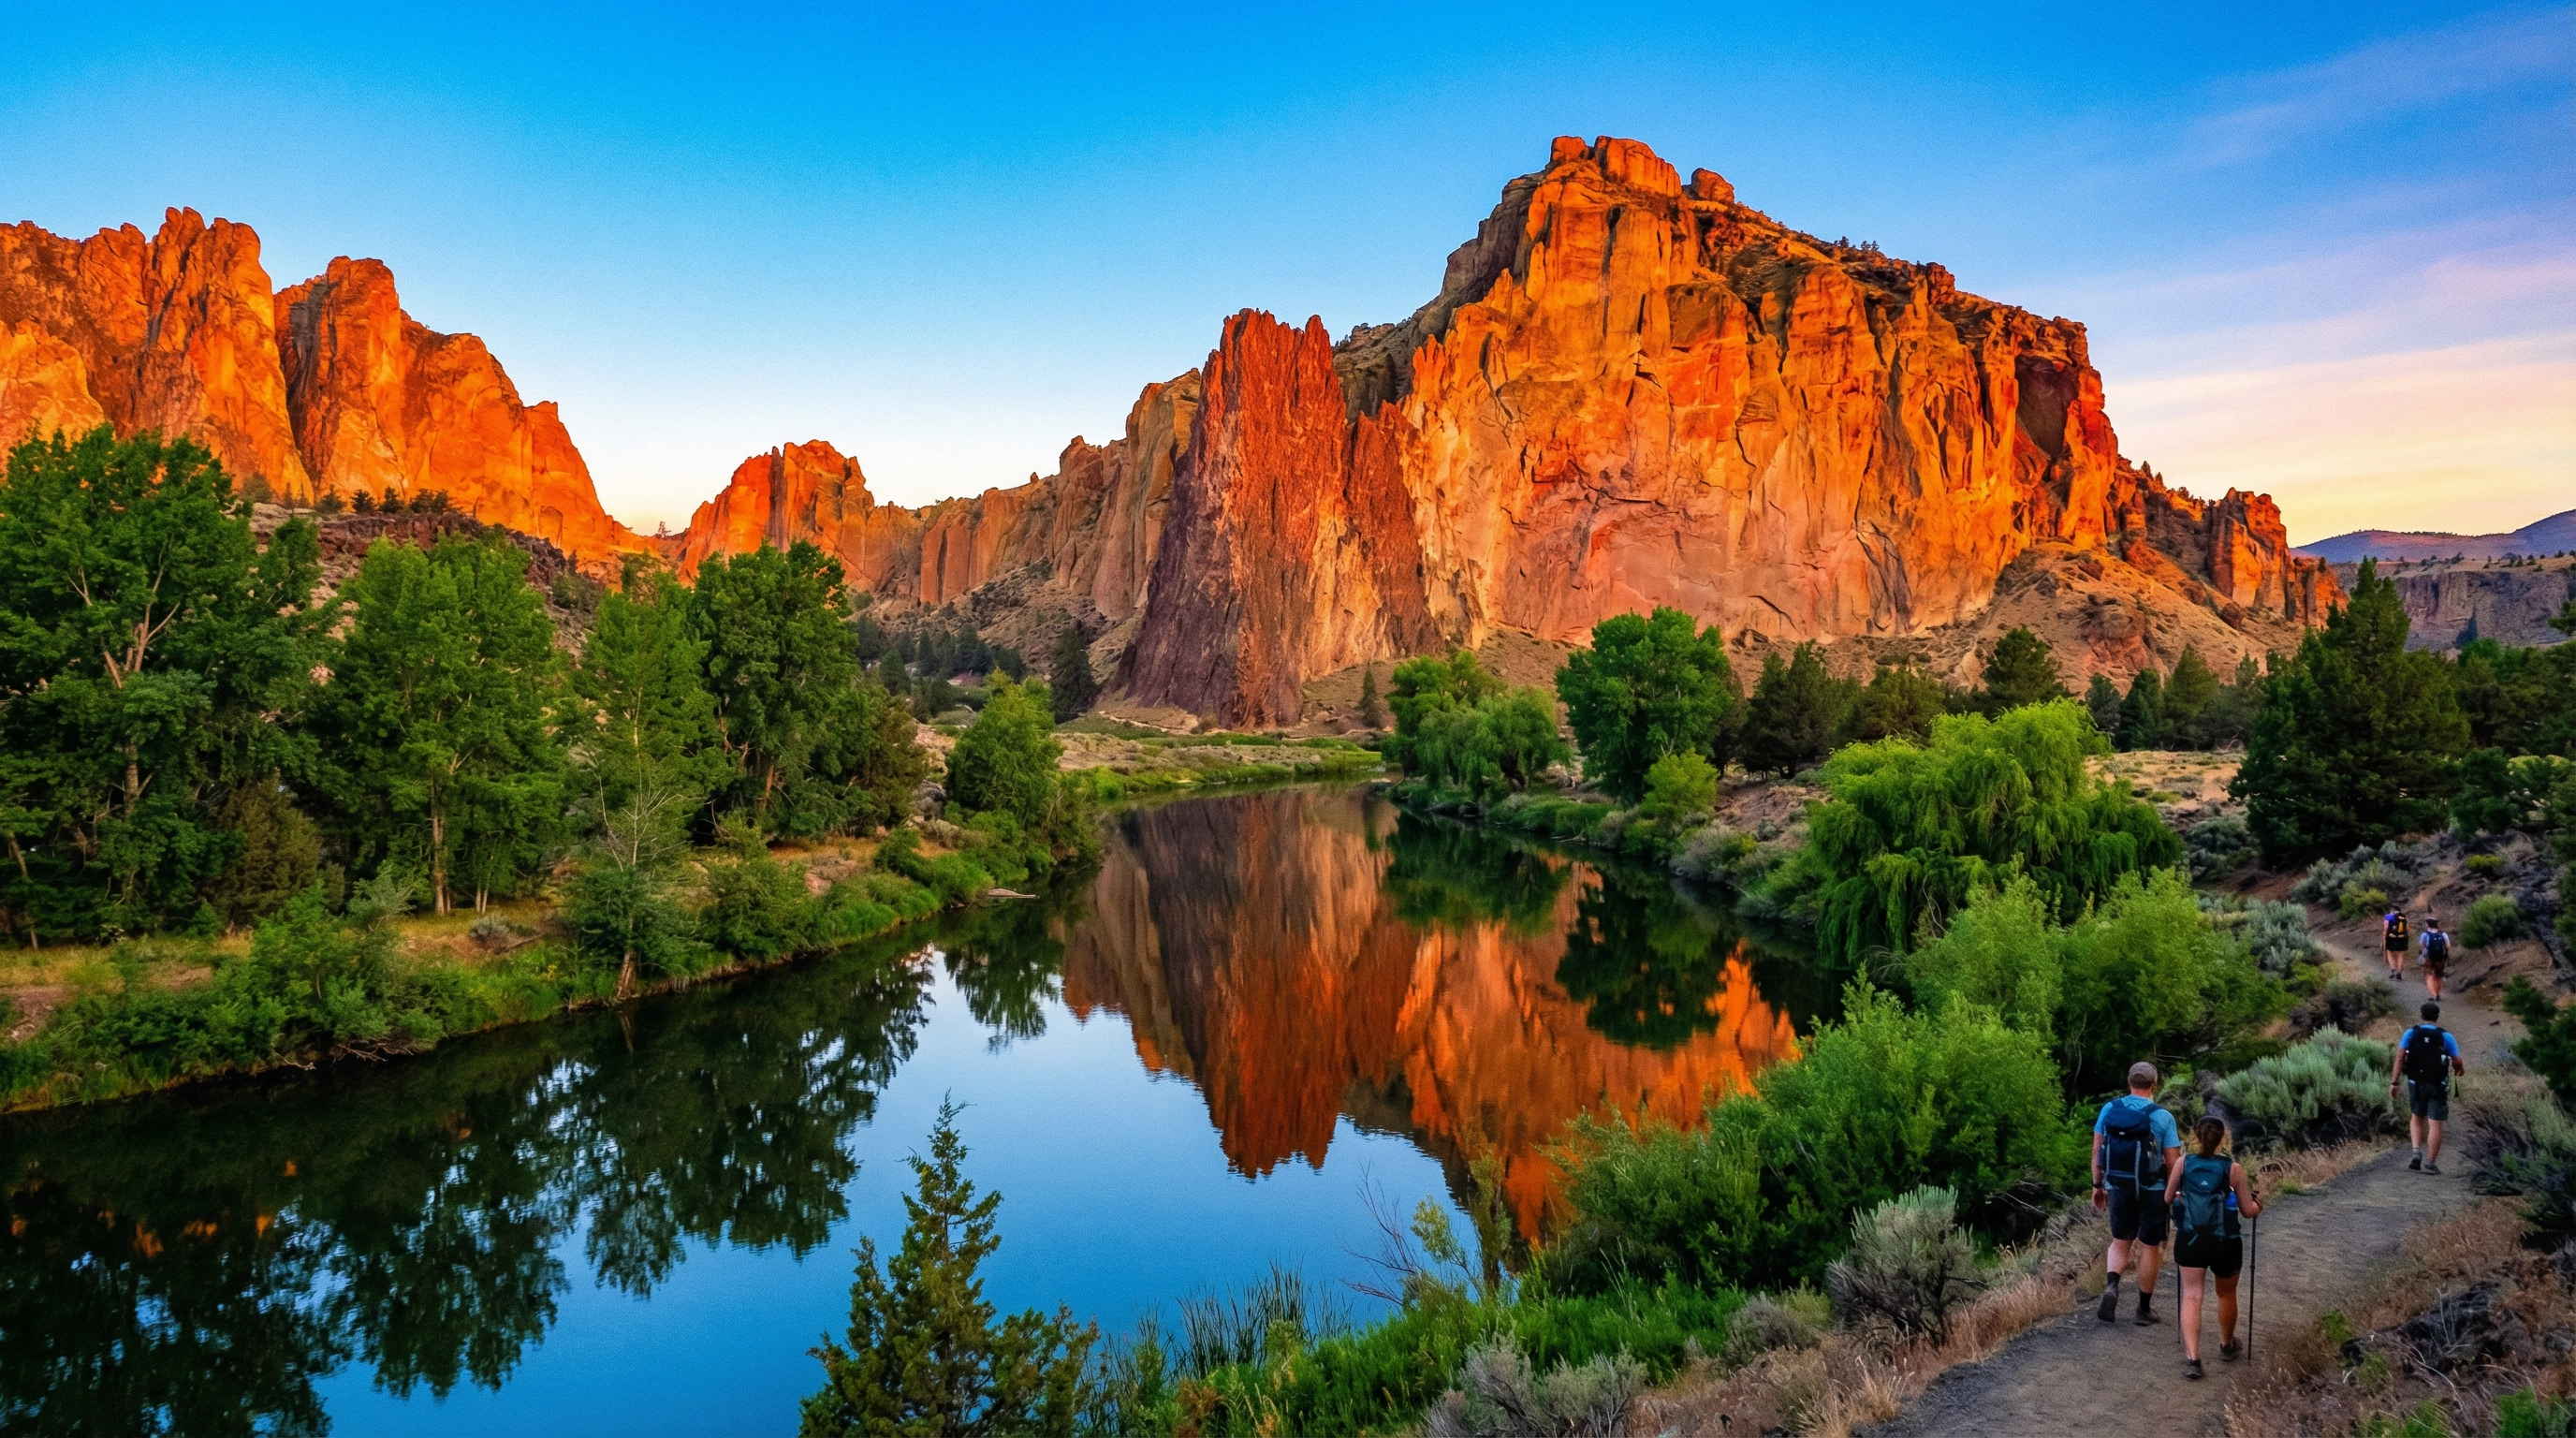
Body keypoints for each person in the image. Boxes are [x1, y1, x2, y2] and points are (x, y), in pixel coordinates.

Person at [2164, 1115, 2262, 1380]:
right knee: (2226, 1294)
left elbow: (2166, 1198)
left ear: (2195, 1136)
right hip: (2225, 1241)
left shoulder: (2183, 1164)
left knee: (2192, 1295)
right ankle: (2227, 1345)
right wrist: (2258, 1204)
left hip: (2190, 1239)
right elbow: (2247, 1211)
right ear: (2223, 1139)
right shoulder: (2234, 1169)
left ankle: (2193, 1359)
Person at [2093, 1060, 2184, 1325]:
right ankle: (2143, 1309)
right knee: (2149, 1247)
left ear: (2129, 1082)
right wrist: (2174, 1195)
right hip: (2152, 1190)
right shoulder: (2163, 1117)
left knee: (2120, 1241)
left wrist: (2098, 1185)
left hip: (2118, 1185)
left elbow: (2098, 1150)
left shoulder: (2110, 1109)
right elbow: (2173, 1162)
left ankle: (2112, 1286)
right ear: (2154, 1084)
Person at [2390, 1001, 2466, 1174]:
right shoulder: (2446, 1036)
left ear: (2421, 1016)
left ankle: (2416, 1151)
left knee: (2416, 1117)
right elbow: (2457, 1061)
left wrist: (2394, 1082)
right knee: (2435, 1123)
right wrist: (2459, 1069)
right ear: (2437, 1017)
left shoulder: (2411, 1033)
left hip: (2415, 1082)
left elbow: (2400, 1057)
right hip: (2437, 1084)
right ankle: (2431, 1163)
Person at [2418, 915, 2452, 1001]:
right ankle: (2438, 994)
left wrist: (2423, 953)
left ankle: (2432, 994)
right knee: (2439, 975)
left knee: (2429, 975)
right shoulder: (2443, 934)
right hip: (2441, 958)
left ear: (2428, 924)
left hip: (2429, 957)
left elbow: (2421, 946)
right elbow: (2448, 946)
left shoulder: (2425, 934)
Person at [2381, 907, 2410, 982]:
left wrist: (2384, 938)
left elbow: (2386, 928)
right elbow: (2407, 929)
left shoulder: (2388, 917)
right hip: (2402, 938)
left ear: (2391, 910)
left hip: (2391, 938)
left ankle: (2393, 970)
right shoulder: (2404, 917)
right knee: (2401, 955)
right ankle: (2399, 973)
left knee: (2389, 953)